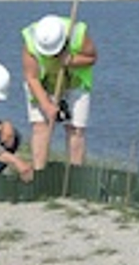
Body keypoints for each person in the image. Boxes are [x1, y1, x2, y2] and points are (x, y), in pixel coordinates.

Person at [21, 11, 98, 170]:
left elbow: (92, 58)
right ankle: (39, 173)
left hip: (75, 82)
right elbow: (32, 78)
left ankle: (75, 175)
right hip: (43, 83)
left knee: (75, 129)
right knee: (40, 128)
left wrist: (71, 60)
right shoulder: (30, 42)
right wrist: (46, 105)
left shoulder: (77, 33)